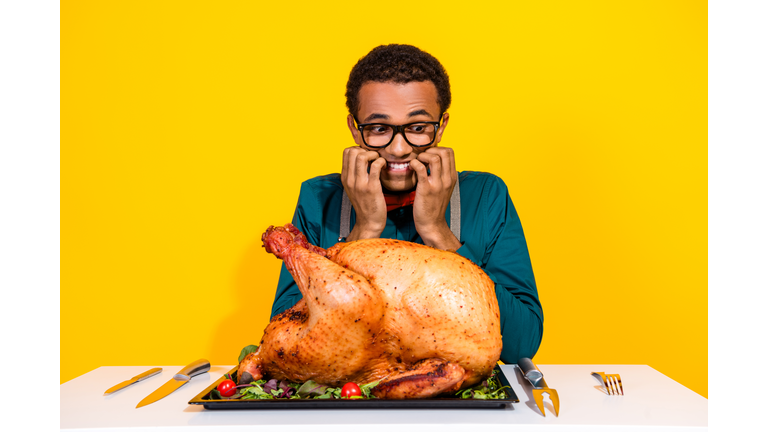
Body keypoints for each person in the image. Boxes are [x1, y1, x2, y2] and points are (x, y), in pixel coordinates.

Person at [269, 44, 543, 362]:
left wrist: (438, 231)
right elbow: (285, 342)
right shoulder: (318, 198)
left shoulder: (485, 195)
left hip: (452, 387)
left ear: (441, 127)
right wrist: (364, 232)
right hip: (351, 391)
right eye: (378, 128)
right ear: (355, 129)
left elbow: (522, 343)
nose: (398, 148)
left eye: (417, 128)